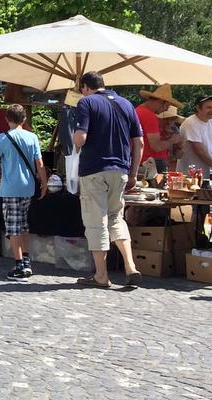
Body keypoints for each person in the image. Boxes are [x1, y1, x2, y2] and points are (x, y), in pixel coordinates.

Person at [73, 71, 143, 288]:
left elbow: (80, 138)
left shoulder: (86, 103)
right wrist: (133, 173)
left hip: (94, 169)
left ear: (85, 87)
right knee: (115, 218)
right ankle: (130, 267)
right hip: (120, 170)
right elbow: (139, 142)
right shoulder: (126, 104)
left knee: (96, 222)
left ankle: (101, 276)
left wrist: (73, 140)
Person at [0, 104, 47, 279]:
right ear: (24, 119)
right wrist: (44, 183)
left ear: (7, 119)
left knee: (13, 227)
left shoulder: (2, 138)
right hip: (28, 187)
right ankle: (26, 260)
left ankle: (19, 265)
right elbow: (39, 164)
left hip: (10, 188)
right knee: (24, 224)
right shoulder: (32, 137)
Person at [135, 85, 183, 185]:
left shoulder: (138, 110)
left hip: (141, 164)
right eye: (167, 106)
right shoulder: (149, 116)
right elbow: (156, 146)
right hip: (149, 166)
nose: (166, 110)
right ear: (161, 101)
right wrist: (172, 140)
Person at [177, 95, 212, 176]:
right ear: (198, 108)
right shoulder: (191, 123)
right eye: (209, 107)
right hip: (191, 174)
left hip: (211, 173)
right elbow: (199, 151)